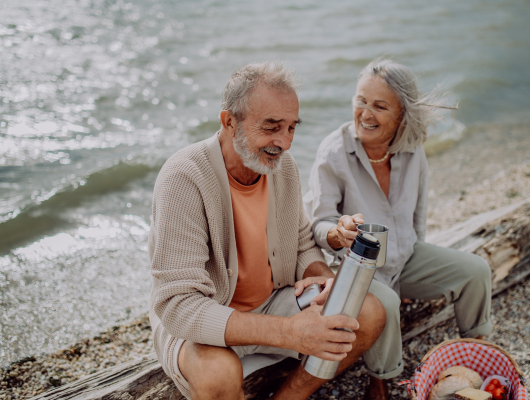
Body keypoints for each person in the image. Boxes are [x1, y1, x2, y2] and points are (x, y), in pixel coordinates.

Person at [148, 61, 400, 400]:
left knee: (367, 314)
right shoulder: (183, 177)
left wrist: (322, 277)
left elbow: (301, 242)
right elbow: (179, 306)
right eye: (271, 127)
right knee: (218, 375)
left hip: (271, 302)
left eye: (292, 128)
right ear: (229, 122)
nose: (284, 142)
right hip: (202, 323)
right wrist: (289, 332)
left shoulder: (283, 168)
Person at [304, 59, 493, 397]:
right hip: (354, 271)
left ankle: (477, 353)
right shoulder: (333, 153)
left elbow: (418, 217)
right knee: (387, 302)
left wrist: (414, 268)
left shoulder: (413, 149)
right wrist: (337, 232)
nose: (365, 113)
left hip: (405, 257)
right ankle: (381, 381)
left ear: (401, 115)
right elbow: (318, 223)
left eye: (379, 106)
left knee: (476, 270)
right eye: (360, 100)